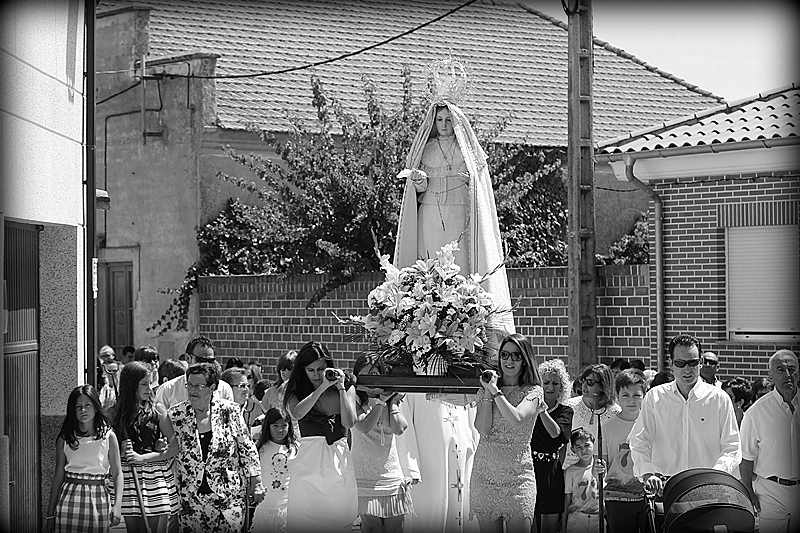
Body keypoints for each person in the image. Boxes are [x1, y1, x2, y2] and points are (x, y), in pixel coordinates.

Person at [393, 56, 513, 334]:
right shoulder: (427, 148)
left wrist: (470, 183)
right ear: (433, 122)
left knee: (458, 266)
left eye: (448, 119)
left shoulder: (467, 151)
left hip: (459, 213)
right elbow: (416, 187)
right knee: (430, 265)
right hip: (431, 215)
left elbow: (480, 187)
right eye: (439, 119)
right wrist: (419, 182)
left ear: (456, 121)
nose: (444, 124)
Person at [629, 334, 741, 495]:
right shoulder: (655, 397)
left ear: (701, 362)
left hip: (708, 488)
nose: (687, 369)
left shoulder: (719, 398)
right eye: (680, 363)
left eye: (692, 363)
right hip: (665, 489)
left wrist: (715, 476)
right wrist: (647, 473)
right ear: (671, 363)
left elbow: (732, 447)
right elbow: (639, 440)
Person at [168, 362, 264, 532]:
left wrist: (256, 481)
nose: (192, 390)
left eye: (199, 385)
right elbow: (168, 447)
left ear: (212, 387)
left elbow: (247, 448)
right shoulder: (176, 415)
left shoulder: (231, 411)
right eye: (189, 385)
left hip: (228, 498)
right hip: (191, 499)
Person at [471, 333, 544, 533]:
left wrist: (495, 392)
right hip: (485, 475)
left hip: (518, 478)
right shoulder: (489, 389)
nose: (509, 360)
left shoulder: (533, 391)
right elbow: (483, 429)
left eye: (516, 356)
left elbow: (517, 418)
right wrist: (488, 392)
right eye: (504, 355)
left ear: (525, 360)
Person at [284, 341, 358, 532]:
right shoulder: (296, 391)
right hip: (308, 469)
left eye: (321, 369)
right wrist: (322, 387)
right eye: (311, 370)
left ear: (329, 366)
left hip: (338, 465)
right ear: (303, 370)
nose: (316, 375)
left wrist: (340, 387)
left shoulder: (346, 384)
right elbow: (297, 413)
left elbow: (349, 422)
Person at [46, 384, 124, 532]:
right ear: (72, 411)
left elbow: (118, 473)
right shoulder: (65, 439)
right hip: (69, 497)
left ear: (96, 407)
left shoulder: (108, 437)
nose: (83, 410)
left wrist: (117, 505)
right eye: (78, 407)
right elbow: (58, 476)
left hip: (98, 498)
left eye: (88, 405)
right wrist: (50, 513)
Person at [113, 361, 178, 533]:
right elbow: (105, 449)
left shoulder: (157, 409)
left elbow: (174, 447)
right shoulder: (114, 413)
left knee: (157, 529)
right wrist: (118, 451)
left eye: (150, 383)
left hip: (154, 475)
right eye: (144, 384)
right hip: (128, 475)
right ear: (130, 385)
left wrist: (145, 457)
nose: (149, 388)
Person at [739, 349, 799, 533]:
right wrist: (748, 492)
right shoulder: (756, 412)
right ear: (770, 375)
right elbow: (746, 458)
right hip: (771, 492)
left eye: (792, 368)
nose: (787, 374)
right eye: (780, 369)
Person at [351, 355, 412, 533]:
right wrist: (380, 402)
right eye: (366, 374)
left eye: (375, 373)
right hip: (365, 474)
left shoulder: (390, 398)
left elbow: (399, 428)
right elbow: (363, 426)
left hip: (391, 474)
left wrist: (392, 402)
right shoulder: (354, 398)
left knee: (396, 528)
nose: (371, 378)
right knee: (371, 528)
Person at [600, 369, 647, 533]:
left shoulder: (651, 425)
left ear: (644, 396)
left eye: (637, 395)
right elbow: (603, 461)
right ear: (617, 397)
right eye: (625, 395)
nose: (631, 400)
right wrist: (599, 467)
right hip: (617, 497)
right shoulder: (607, 427)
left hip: (647, 495)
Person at [531, 359, 574, 533]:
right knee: (529, 522)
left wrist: (541, 410)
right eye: (546, 382)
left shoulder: (566, 411)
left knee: (550, 526)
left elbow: (557, 435)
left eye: (555, 383)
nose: (550, 387)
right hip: (529, 469)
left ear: (561, 387)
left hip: (551, 472)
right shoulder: (527, 409)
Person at [563, 364, 620, 469]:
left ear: (604, 385)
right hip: (569, 473)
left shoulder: (616, 413)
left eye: (590, 382)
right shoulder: (569, 407)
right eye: (582, 381)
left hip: (601, 475)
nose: (584, 386)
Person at [251, 408, 298, 533]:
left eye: (284, 425)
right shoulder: (259, 448)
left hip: (288, 509)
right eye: (275, 426)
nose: (280, 430)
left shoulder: (296, 449)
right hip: (265, 507)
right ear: (268, 426)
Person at [154, 336, 234, 409]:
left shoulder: (224, 389)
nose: (206, 365)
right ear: (188, 358)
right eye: (201, 360)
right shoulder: (167, 390)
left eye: (210, 361)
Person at [561, 428, 604, 533]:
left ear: (594, 444)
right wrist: (563, 525)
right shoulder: (570, 471)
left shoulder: (601, 467)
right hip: (576, 518)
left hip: (598, 519)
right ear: (573, 450)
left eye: (587, 446)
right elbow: (567, 499)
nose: (583, 450)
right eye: (579, 447)